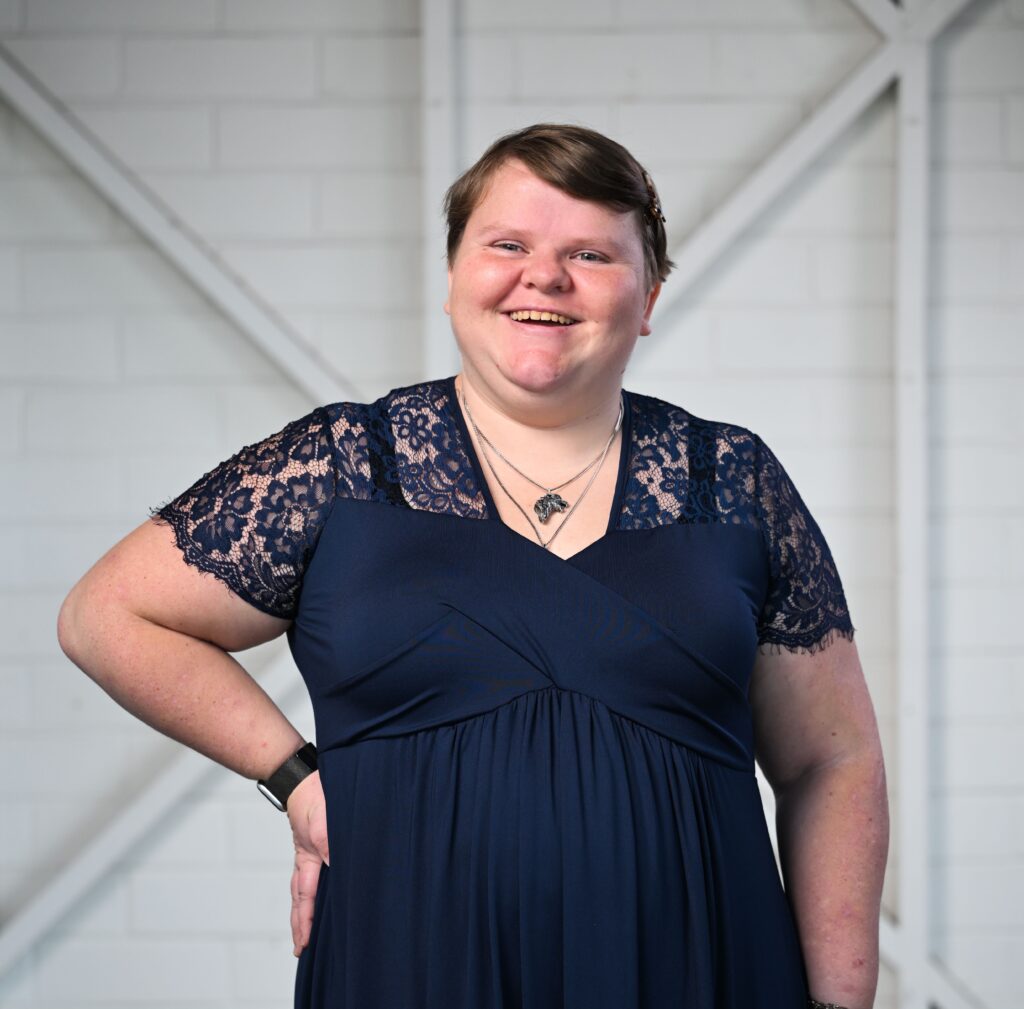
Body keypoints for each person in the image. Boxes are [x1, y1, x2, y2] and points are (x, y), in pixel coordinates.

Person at [57, 123, 888, 1009]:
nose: (546, 276)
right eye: (508, 245)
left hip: (701, 970)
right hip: (407, 967)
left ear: (647, 297)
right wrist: (293, 779)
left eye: (592, 254)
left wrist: (841, 1001)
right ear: (454, 281)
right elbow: (105, 616)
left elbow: (832, 759)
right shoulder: (344, 465)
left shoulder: (729, 481)